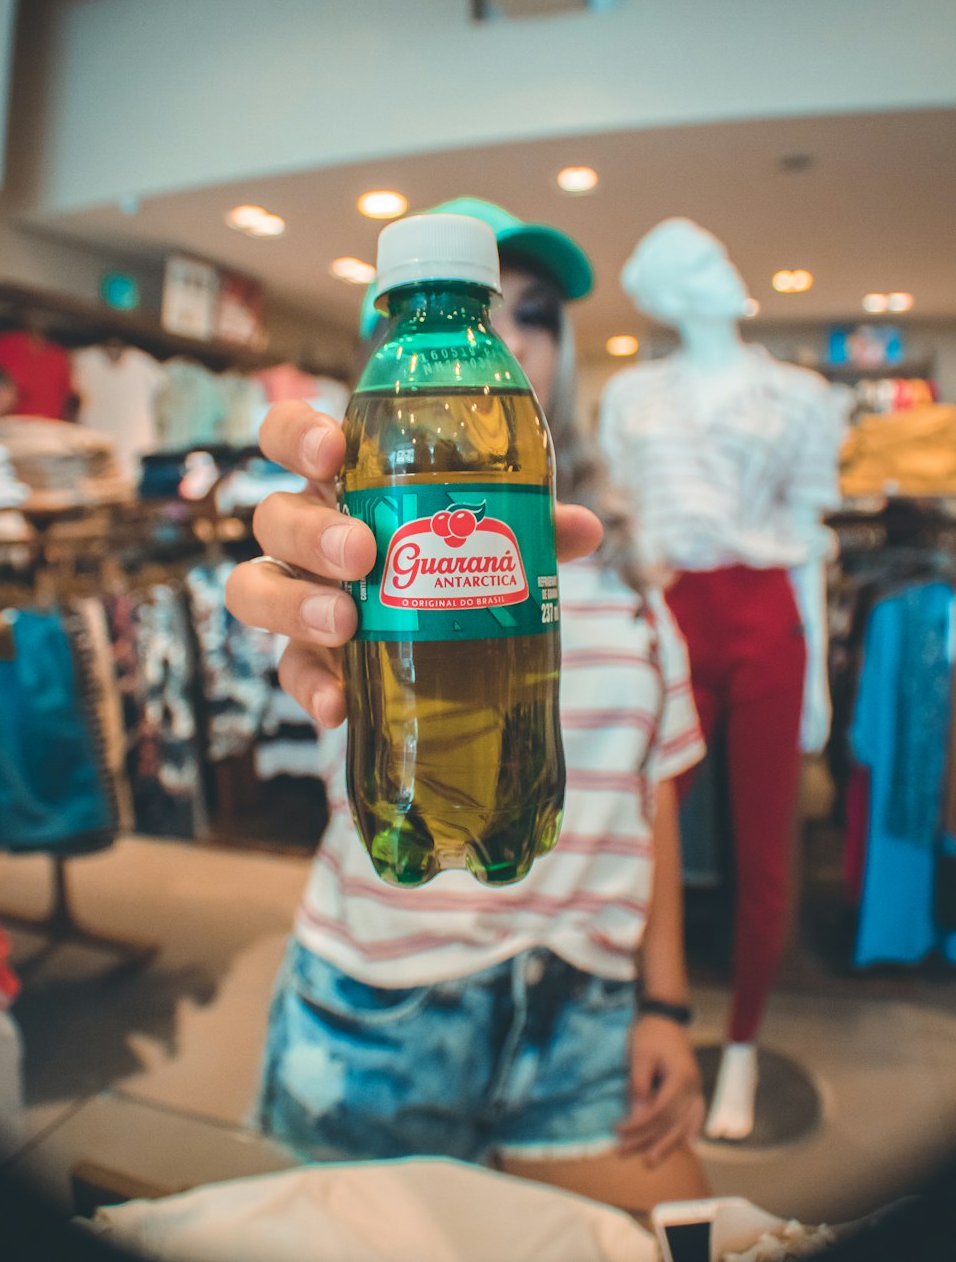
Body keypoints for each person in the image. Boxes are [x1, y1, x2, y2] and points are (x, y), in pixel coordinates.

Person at [226, 197, 709, 1215]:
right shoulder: (352, 516)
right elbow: (330, 660)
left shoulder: (622, 560)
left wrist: (664, 1001)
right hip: (379, 1003)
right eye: (500, 310)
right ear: (384, 345)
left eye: (530, 313)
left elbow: (653, 789)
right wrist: (308, 605)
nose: (512, 338)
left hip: (586, 1010)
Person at [600, 218, 842, 1141]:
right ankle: (635, 1016)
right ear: (664, 292)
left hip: (767, 612)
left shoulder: (801, 396)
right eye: (698, 261)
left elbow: (811, 545)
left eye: (717, 251)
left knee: (763, 845)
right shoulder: (631, 396)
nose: (725, 266)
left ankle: (742, 1044)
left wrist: (813, 670)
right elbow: (626, 530)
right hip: (671, 614)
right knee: (641, 819)